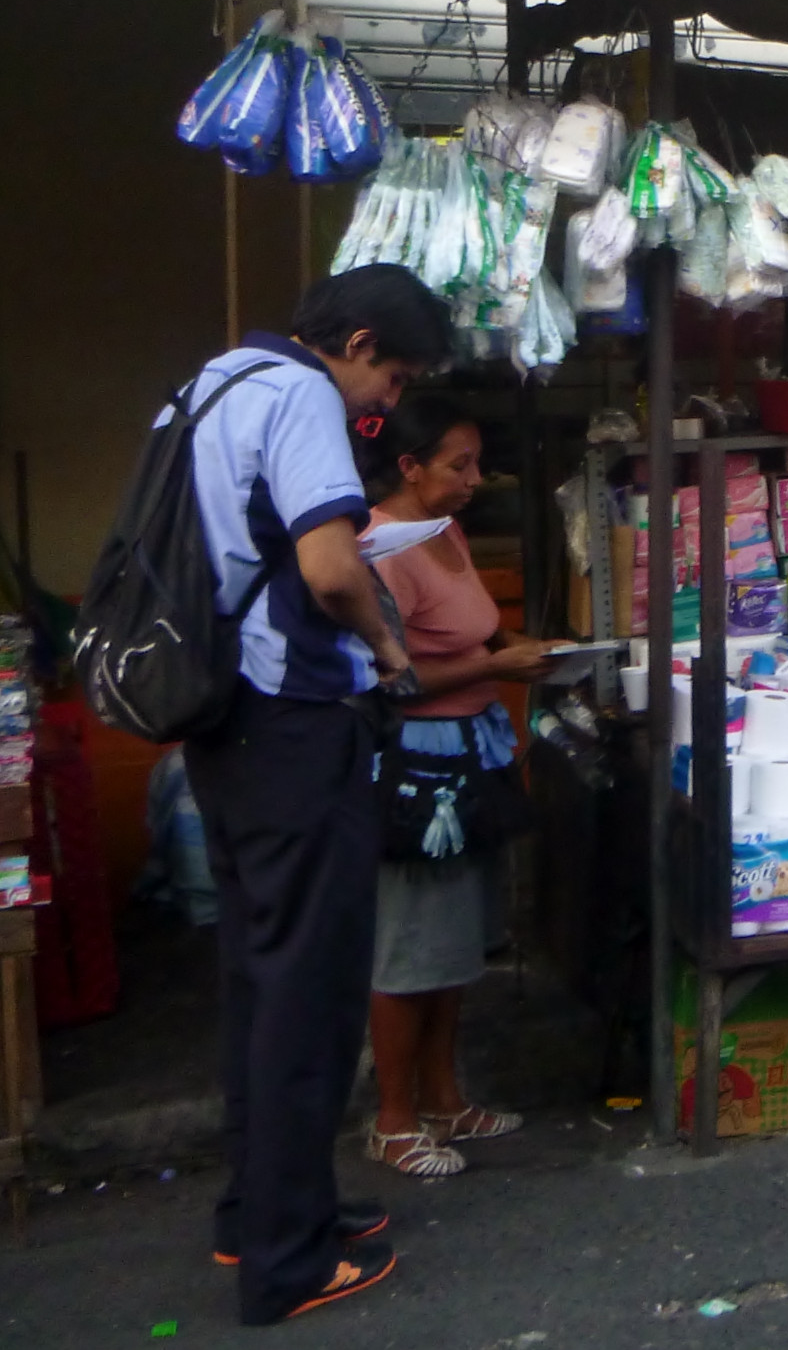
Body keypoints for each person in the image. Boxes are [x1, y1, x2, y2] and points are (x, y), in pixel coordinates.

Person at [177, 264, 453, 1325]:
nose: (381, 403)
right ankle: (287, 1261)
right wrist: (388, 648)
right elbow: (331, 565)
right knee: (310, 986)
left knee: (260, 972)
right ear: (359, 339)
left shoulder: (213, 379)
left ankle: (259, 1210)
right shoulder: (298, 393)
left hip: (222, 716)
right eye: (389, 374)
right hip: (291, 714)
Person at [359, 395, 552, 1177]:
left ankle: (445, 1096)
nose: (475, 478)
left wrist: (525, 648)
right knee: (408, 946)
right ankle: (394, 1118)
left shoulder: (446, 531)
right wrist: (495, 666)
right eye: (457, 465)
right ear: (408, 468)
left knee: (454, 940)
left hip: (472, 751)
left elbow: (477, 630)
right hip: (418, 769)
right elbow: (389, 676)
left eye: (477, 462)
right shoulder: (379, 548)